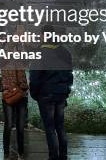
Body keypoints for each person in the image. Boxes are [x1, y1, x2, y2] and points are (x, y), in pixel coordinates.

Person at [29, 28, 73, 160]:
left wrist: (34, 93)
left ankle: (53, 156)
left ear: (44, 35)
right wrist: (66, 90)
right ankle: (63, 155)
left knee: (50, 128)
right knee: (60, 126)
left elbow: (35, 76)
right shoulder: (64, 52)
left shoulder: (40, 52)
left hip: (46, 94)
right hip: (60, 94)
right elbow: (70, 74)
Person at [0, 69, 28, 159]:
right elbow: (23, 82)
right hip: (14, 95)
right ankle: (15, 153)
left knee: (15, 126)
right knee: (13, 125)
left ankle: (13, 153)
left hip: (14, 95)